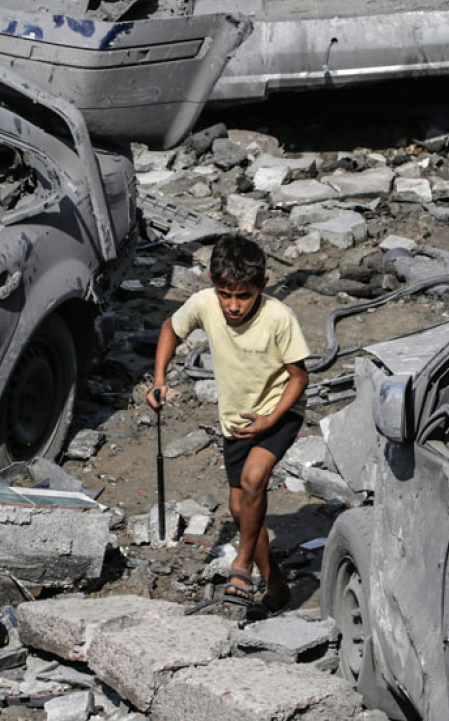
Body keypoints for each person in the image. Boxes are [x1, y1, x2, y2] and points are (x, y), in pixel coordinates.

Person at [147, 234, 309, 617]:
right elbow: (170, 328)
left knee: (254, 480)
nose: (233, 306)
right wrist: (160, 378)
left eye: (243, 297)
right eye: (226, 295)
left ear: (262, 285)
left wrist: (270, 419)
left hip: (279, 412)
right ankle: (277, 586)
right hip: (235, 420)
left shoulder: (279, 318)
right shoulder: (204, 304)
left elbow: (300, 378)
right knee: (241, 509)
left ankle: (242, 564)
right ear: (212, 283)